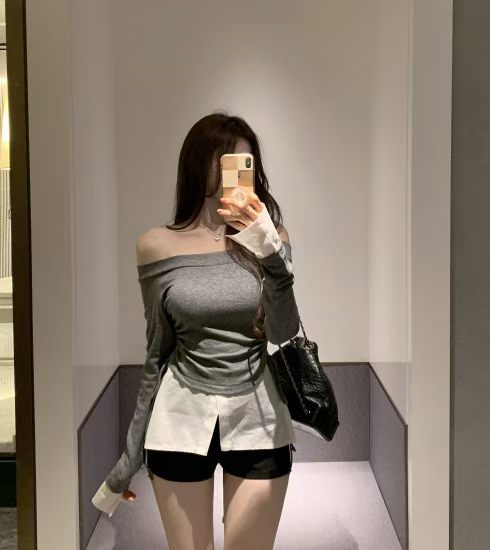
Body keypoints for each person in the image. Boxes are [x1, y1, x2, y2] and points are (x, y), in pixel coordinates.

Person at [92, 111, 300, 550]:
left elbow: (283, 332)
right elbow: (157, 352)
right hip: (180, 419)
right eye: (224, 160)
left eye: (244, 163)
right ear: (196, 164)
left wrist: (269, 250)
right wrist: (129, 458)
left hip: (259, 417)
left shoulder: (270, 237)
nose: (234, 173)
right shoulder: (156, 245)